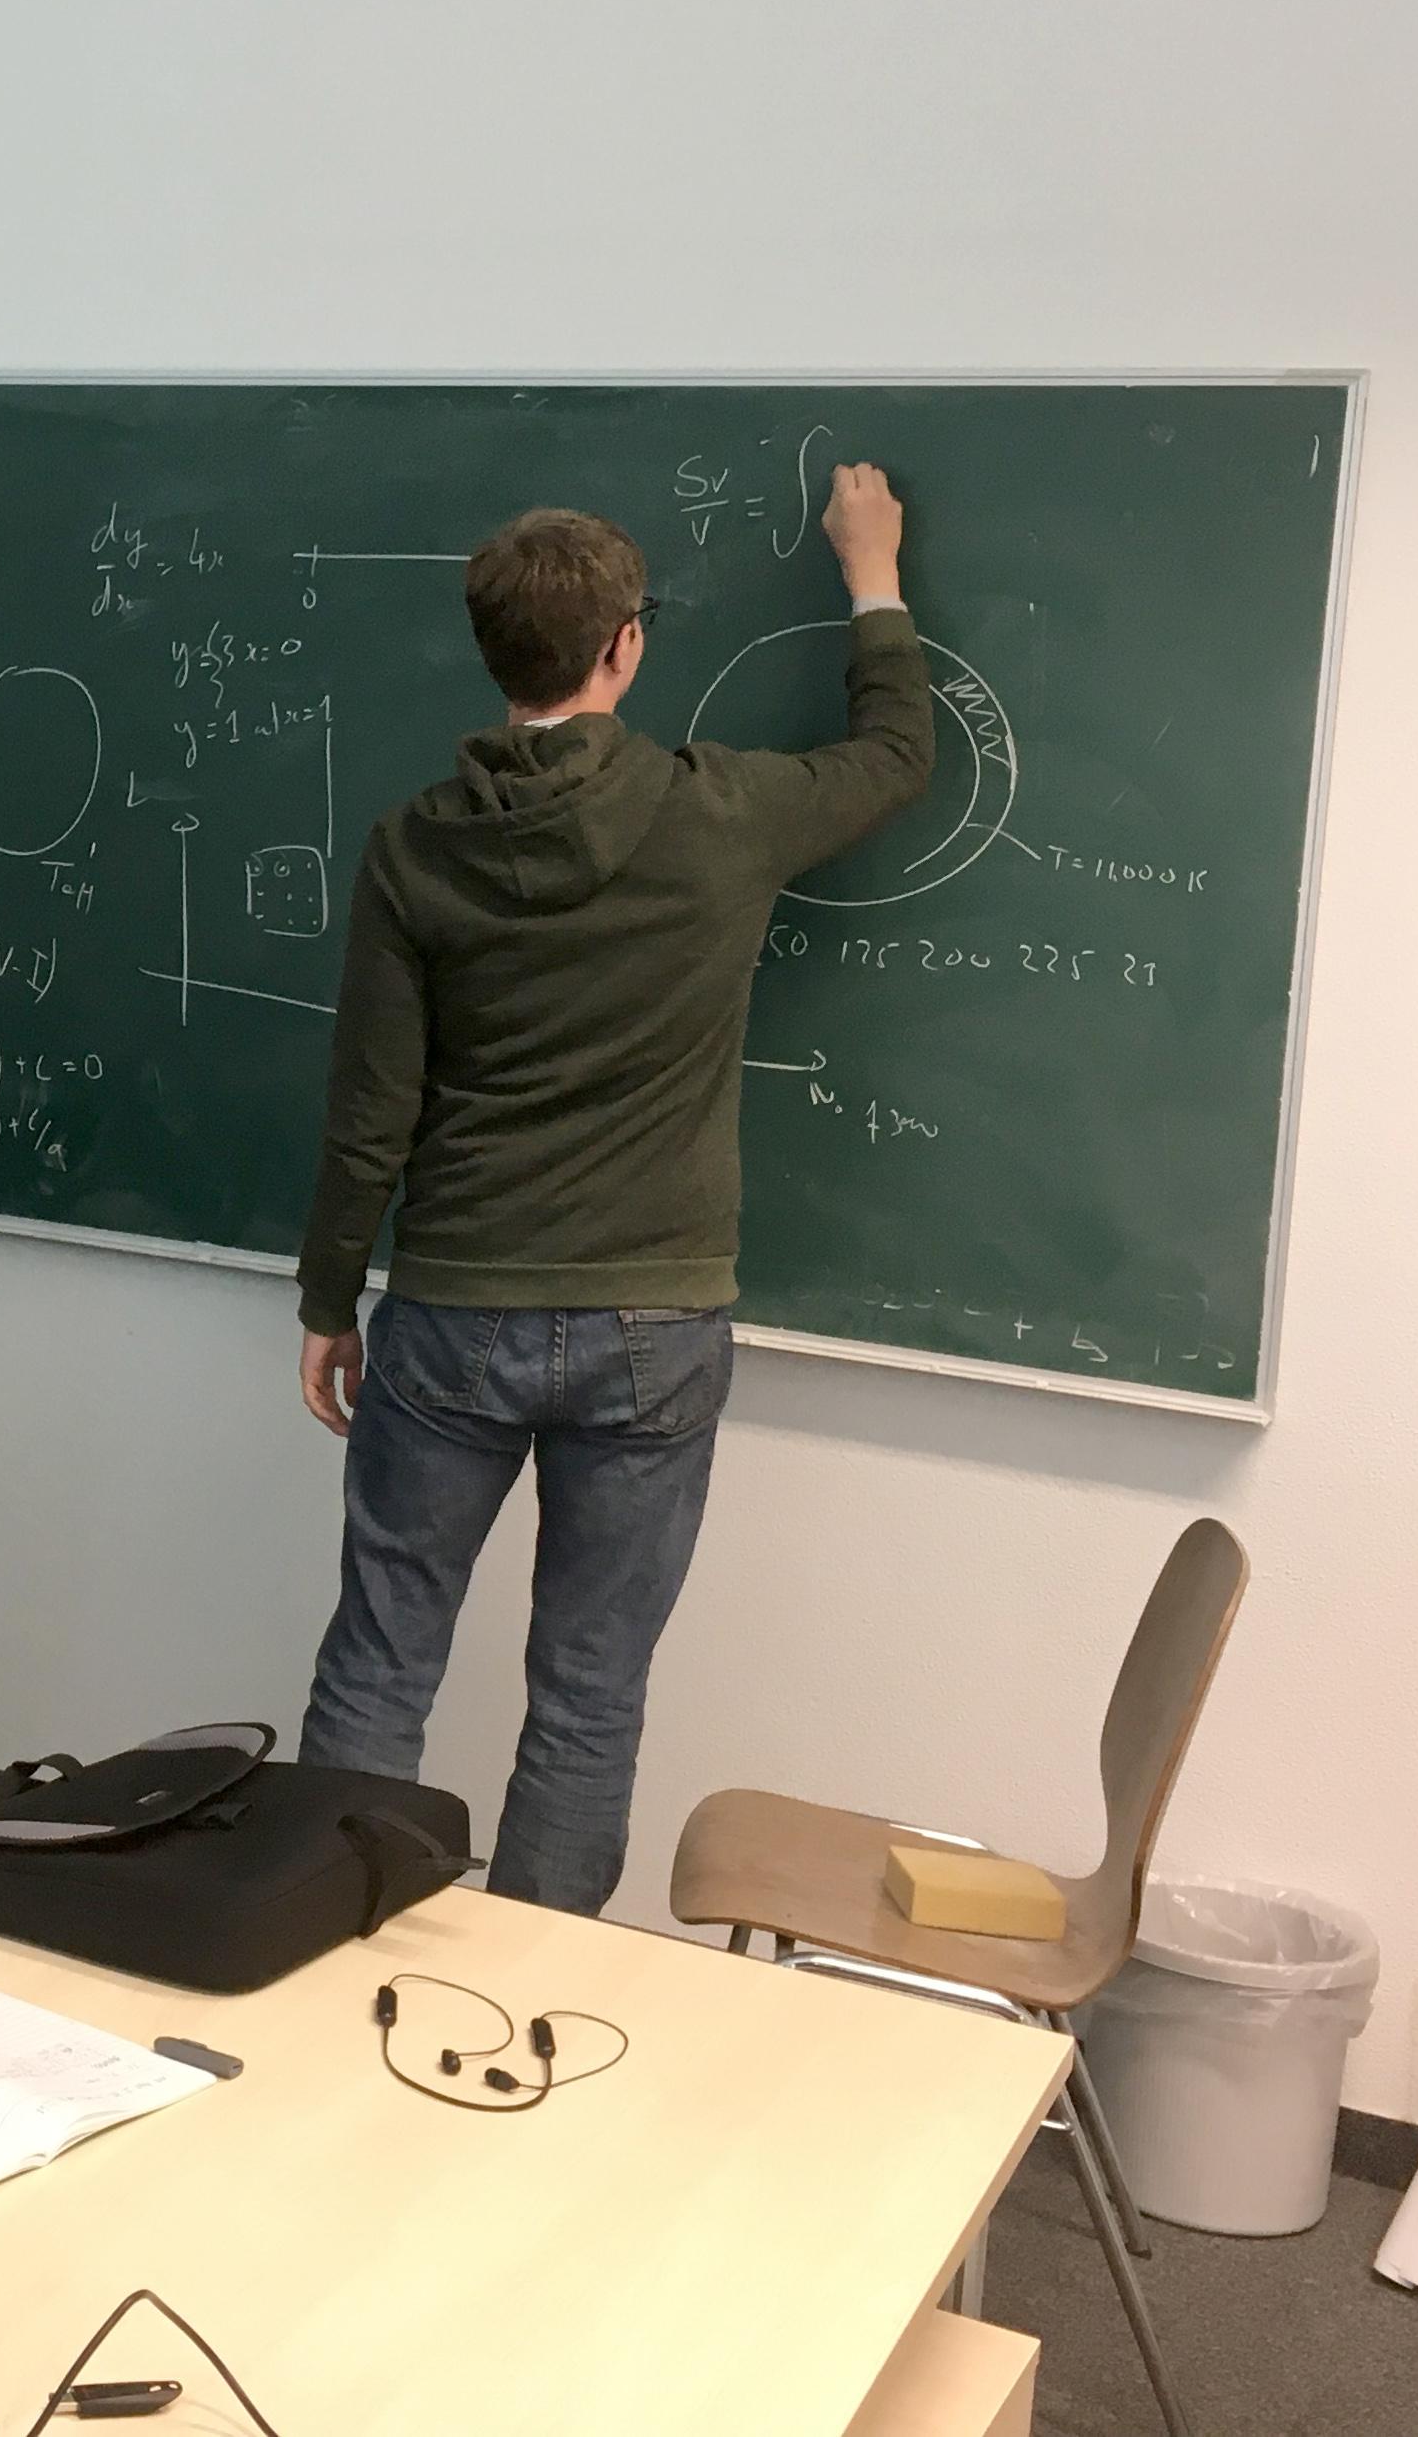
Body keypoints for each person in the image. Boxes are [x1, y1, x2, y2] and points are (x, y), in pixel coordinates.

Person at [288, 468, 935, 1914]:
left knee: (382, 1654)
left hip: (452, 1312)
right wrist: (875, 575)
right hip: (656, 1325)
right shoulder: (724, 816)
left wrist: (332, 1300)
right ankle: (528, 2013)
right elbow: (899, 755)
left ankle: (315, 1958)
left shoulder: (412, 847)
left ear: (494, 652)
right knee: (588, 1694)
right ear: (624, 647)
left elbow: (369, 1112)